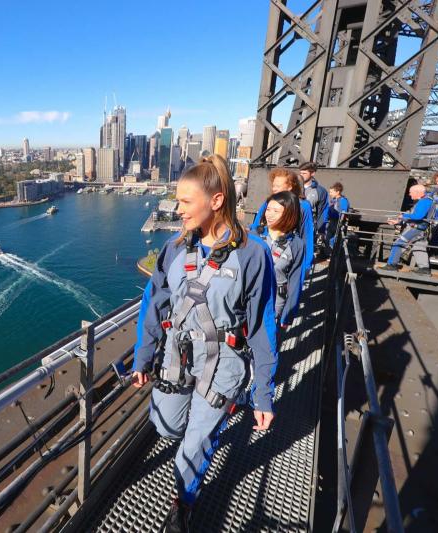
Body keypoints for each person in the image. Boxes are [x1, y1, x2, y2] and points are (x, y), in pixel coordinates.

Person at [132, 155, 278, 533]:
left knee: (192, 446)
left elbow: (262, 324)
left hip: (224, 360)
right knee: (165, 426)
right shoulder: (175, 248)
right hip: (177, 354)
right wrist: (142, 357)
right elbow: (155, 304)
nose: (177, 210)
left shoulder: (252, 254)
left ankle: (183, 505)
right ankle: (210, 421)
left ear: (215, 201)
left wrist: (264, 391)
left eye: (184, 202)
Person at [255, 191, 305, 329]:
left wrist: (288, 314)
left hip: (275, 304)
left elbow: (295, 281)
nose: (269, 214)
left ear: (289, 214)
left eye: (276, 211)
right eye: (268, 209)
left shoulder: (296, 244)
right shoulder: (254, 236)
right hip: (250, 301)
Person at [250, 168, 316, 272]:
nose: (274, 189)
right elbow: (256, 227)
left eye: (278, 186)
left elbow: (307, 235)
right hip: (265, 250)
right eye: (273, 185)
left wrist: (306, 264)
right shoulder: (269, 203)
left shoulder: (303, 206)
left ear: (290, 187)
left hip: (288, 255)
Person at [381, 184, 434, 275]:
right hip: (422, 229)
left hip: (415, 229)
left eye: (411, 192)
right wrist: (398, 221)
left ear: (418, 193)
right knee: (419, 247)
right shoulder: (426, 201)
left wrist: (403, 216)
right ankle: (424, 269)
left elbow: (418, 216)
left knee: (398, 244)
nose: (409, 194)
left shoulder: (424, 202)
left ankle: (392, 265)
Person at [299, 161, 328, 243]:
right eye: (300, 173)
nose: (301, 175)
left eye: (304, 173)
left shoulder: (320, 191)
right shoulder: (293, 188)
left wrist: (321, 230)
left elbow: (322, 212)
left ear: (312, 173)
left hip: (308, 227)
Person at [326, 182, 350, 249]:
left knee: (335, 240)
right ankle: (328, 254)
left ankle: (333, 255)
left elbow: (343, 213)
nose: (330, 194)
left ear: (337, 192)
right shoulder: (334, 200)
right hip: (332, 222)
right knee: (328, 239)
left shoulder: (343, 201)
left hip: (338, 223)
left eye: (331, 192)